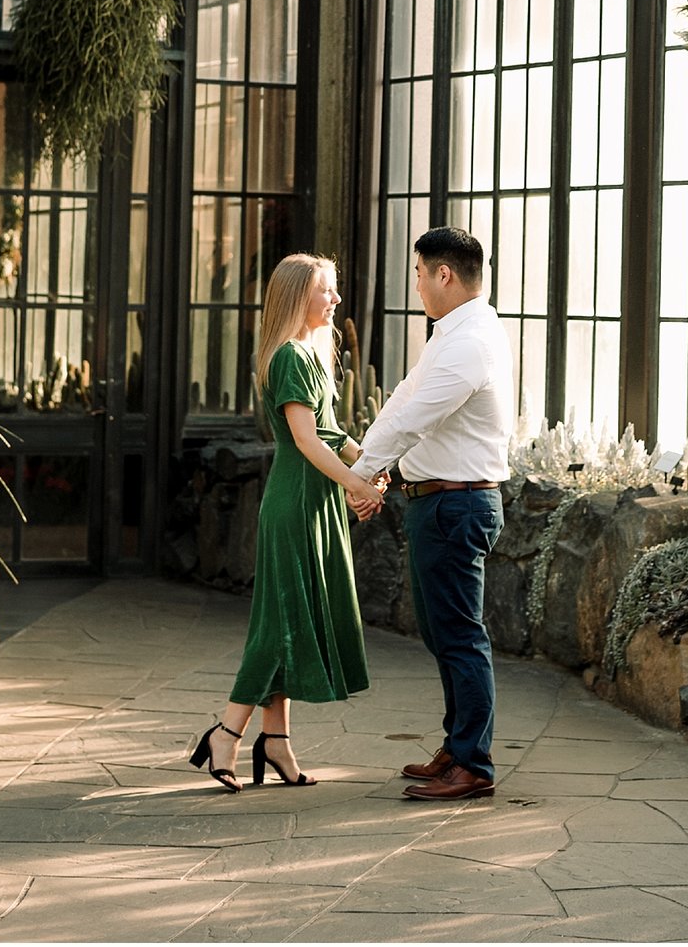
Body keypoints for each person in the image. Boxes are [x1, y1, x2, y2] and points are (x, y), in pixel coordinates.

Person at [187, 253, 382, 792]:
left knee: (292, 622)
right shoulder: (292, 358)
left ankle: (276, 742)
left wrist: (372, 465)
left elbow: (332, 432)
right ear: (299, 296)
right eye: (327, 290)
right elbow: (305, 440)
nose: (336, 300)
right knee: (279, 627)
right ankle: (226, 733)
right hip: (296, 505)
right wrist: (356, 484)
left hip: (312, 504)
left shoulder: (309, 354)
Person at [351, 225, 515, 802]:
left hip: (456, 502)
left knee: (460, 636)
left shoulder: (470, 341)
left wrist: (362, 471)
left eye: (420, 273)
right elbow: (402, 397)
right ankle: (458, 745)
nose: (416, 285)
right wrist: (375, 464)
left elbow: (413, 417)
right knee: (443, 633)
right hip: (439, 499)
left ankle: (472, 763)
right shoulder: (453, 334)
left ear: (444, 274)